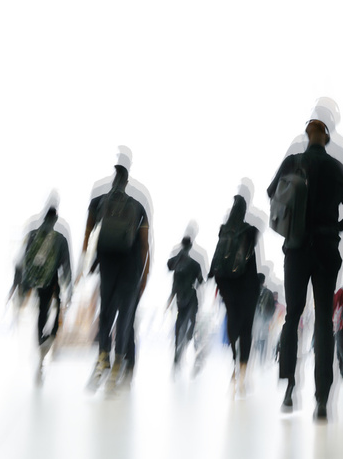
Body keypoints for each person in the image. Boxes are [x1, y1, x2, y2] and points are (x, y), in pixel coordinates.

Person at [267, 117, 343, 420]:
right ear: (327, 137)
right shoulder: (338, 168)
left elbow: (272, 193)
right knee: (323, 321)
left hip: (295, 248)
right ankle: (321, 400)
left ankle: (290, 389)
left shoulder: (293, 162)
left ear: (307, 135)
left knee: (292, 315)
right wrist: (334, 227)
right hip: (325, 248)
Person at [81, 150, 151, 395]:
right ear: (127, 180)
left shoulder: (99, 201)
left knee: (106, 313)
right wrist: (144, 276)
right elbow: (144, 246)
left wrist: (87, 260)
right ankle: (118, 365)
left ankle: (103, 359)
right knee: (125, 317)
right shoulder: (138, 205)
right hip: (131, 268)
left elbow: (89, 232)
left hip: (108, 263)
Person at [209, 194, 260, 395]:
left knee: (233, 326)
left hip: (229, 287)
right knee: (246, 331)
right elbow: (253, 260)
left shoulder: (224, 230)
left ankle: (234, 364)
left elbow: (218, 259)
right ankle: (242, 372)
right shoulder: (251, 231)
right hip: (247, 287)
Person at [17, 206, 72, 382]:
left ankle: (41, 341)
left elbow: (24, 260)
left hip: (37, 281)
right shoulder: (60, 239)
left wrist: (23, 286)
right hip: (53, 281)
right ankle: (51, 335)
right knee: (56, 309)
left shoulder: (33, 235)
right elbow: (66, 265)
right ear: (55, 219)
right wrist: (69, 286)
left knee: (42, 312)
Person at [167, 236, 204, 370]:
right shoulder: (195, 264)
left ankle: (178, 350)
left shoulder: (176, 261)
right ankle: (187, 342)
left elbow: (168, 265)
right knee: (191, 322)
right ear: (190, 247)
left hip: (179, 297)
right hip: (191, 296)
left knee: (180, 320)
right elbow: (200, 281)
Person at [254, 273, 276, 365]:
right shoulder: (269, 293)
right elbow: (272, 309)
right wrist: (268, 319)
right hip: (264, 322)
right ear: (263, 281)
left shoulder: (249, 290)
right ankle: (260, 363)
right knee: (262, 343)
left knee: (250, 342)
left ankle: (246, 364)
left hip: (252, 322)